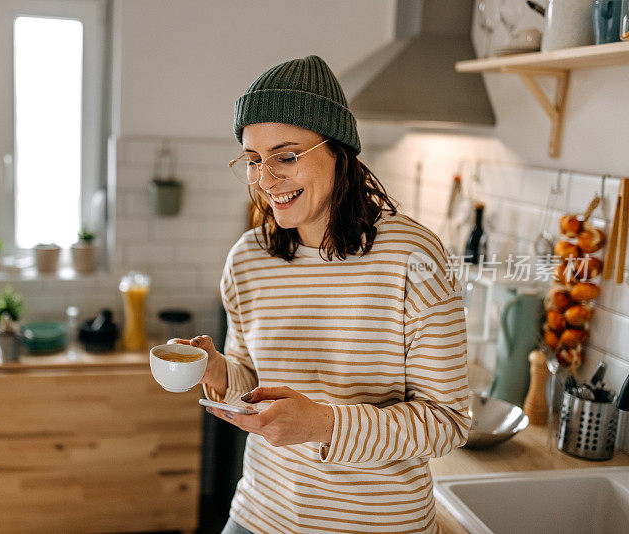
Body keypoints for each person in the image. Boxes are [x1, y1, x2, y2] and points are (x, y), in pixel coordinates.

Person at [169, 55, 470, 534]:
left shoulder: (414, 258)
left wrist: (325, 424)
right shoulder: (248, 260)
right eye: (252, 160)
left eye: (285, 156)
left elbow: (447, 421)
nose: (266, 180)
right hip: (259, 515)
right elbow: (256, 391)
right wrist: (221, 372)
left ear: (339, 151)